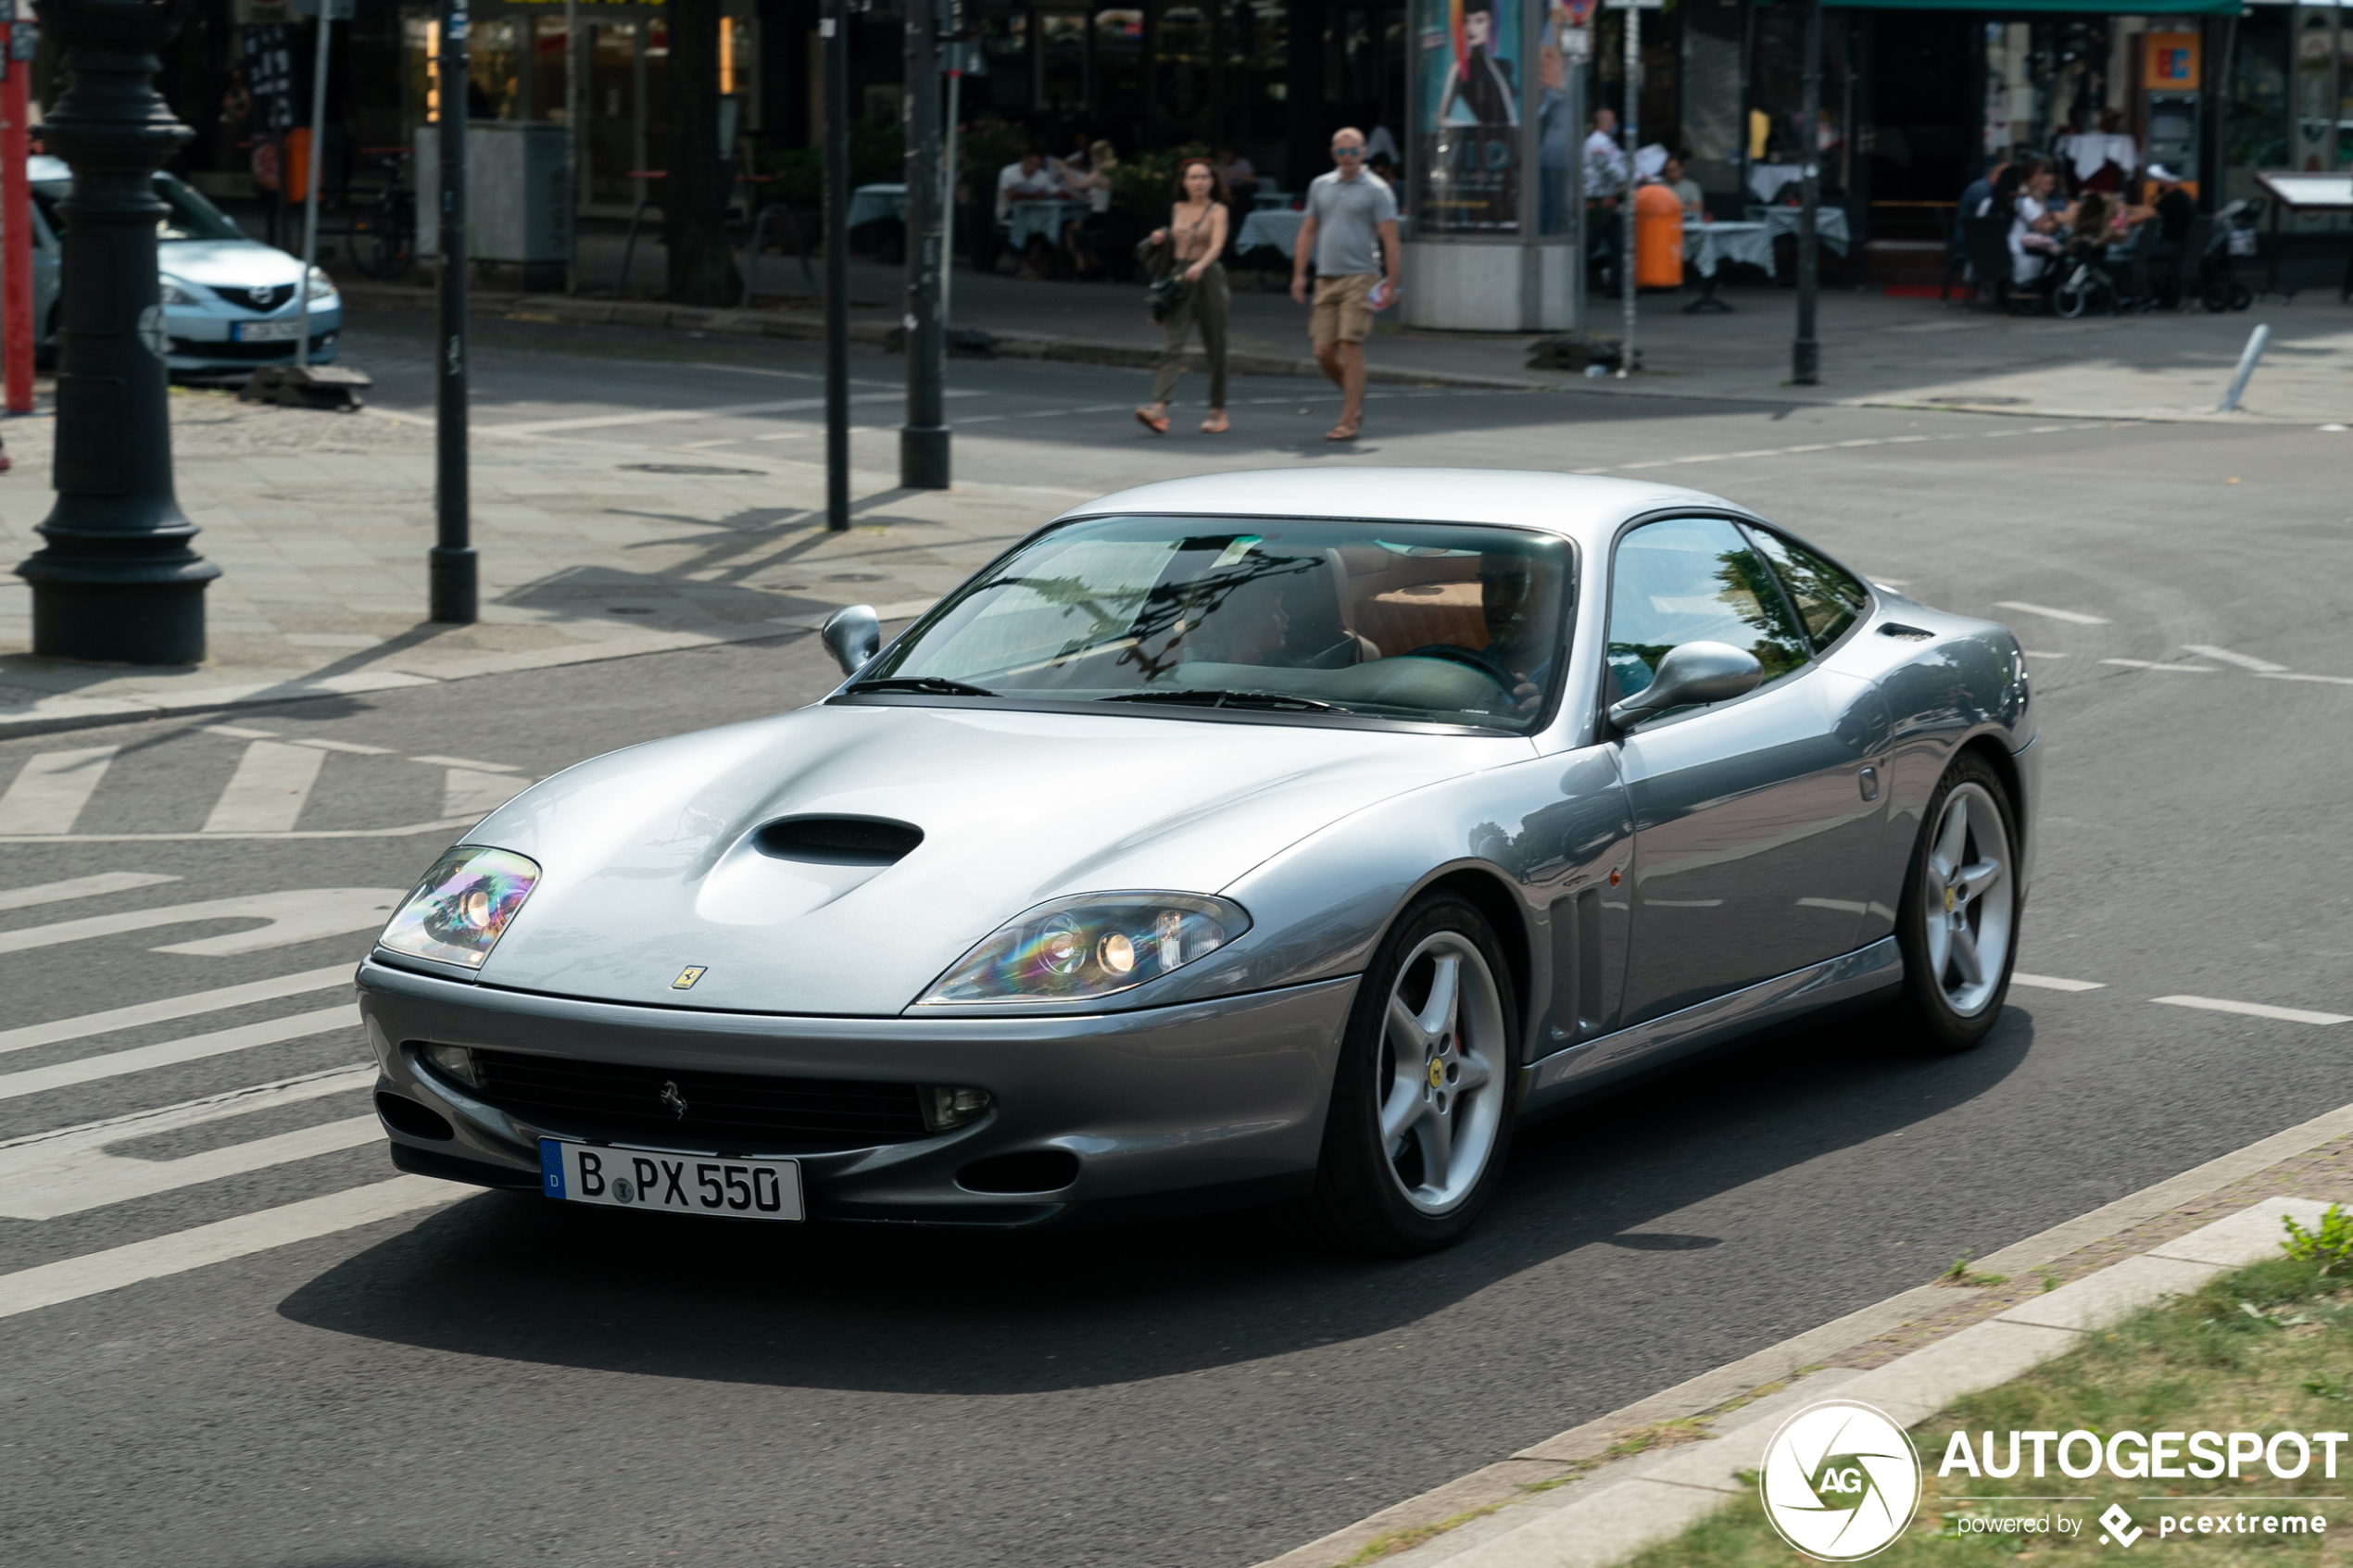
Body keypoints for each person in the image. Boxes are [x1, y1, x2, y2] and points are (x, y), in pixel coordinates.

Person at [1290, 128, 1400, 443]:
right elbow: (1309, 230)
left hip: (1361, 276)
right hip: (1326, 277)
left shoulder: (1377, 190)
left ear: (1363, 152)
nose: (1348, 158)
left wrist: (1392, 283)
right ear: (1333, 153)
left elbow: (1390, 240)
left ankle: (1349, 419)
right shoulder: (1320, 186)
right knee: (1323, 351)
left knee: (1350, 345)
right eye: (1342, 152)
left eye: (1354, 151)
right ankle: (1355, 396)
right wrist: (1299, 274)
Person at [1137, 158, 1233, 437]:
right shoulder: (1178, 208)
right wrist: (1159, 239)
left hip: (1208, 277)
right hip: (1180, 277)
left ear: (1213, 181)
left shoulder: (1218, 210)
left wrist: (1201, 265)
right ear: (1184, 182)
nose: (1199, 182)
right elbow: (1175, 241)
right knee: (1172, 344)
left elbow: (1217, 245)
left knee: (1216, 345)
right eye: (1193, 177)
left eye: (1204, 177)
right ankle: (1159, 410)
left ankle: (1217, 411)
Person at [1439, 0, 1519, 129]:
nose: (1471, 28)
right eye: (1466, 21)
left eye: (1479, 20)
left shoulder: (1503, 66)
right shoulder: (1459, 69)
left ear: (1490, 23)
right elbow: (1442, 120)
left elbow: (1512, 116)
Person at [997, 148, 1067, 280]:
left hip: (1035, 215)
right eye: (1031, 164)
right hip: (1010, 212)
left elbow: (1054, 191)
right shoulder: (1008, 172)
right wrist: (1032, 196)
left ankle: (1032, 265)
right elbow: (1010, 196)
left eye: (1037, 165)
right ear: (1024, 161)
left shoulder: (1042, 176)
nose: (1034, 168)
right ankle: (1027, 265)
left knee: (1050, 229)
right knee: (1023, 228)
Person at [1584, 108, 1629, 293]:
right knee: (1592, 243)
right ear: (1603, 123)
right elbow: (1613, 171)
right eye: (1612, 120)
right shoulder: (1596, 144)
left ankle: (1616, 285)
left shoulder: (1607, 143)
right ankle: (1573, 280)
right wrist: (1633, 175)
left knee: (1618, 243)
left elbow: (1621, 162)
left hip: (1608, 200)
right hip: (1597, 201)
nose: (1615, 123)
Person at [1663, 154, 1704, 218]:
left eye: (1673, 170)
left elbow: (1698, 209)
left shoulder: (1692, 186)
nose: (1670, 174)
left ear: (1681, 169)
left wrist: (1679, 206)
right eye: (1668, 171)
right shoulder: (1660, 186)